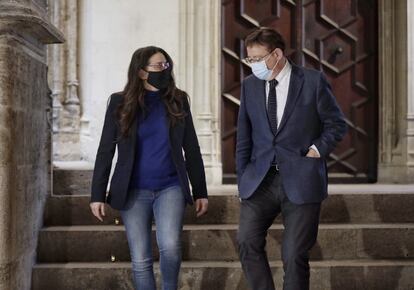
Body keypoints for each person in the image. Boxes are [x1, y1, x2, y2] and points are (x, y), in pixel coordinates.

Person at [89, 46, 209, 290]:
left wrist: (201, 191)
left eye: (166, 65)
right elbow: (105, 151)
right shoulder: (119, 102)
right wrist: (97, 195)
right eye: (157, 66)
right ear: (142, 72)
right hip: (133, 190)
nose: (164, 69)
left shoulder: (178, 100)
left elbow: (192, 149)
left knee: (171, 247)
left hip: (170, 186)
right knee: (141, 259)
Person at [236, 28, 347, 290]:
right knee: (246, 242)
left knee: (294, 254)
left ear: (276, 54)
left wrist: (316, 150)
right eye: (249, 60)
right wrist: (242, 178)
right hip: (260, 179)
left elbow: (336, 124)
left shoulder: (312, 81)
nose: (252, 65)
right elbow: (244, 136)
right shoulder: (250, 86)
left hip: (301, 178)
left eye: (256, 59)